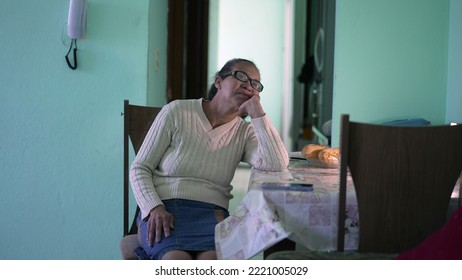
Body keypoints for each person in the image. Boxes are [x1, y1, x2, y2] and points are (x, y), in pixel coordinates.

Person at [130, 58, 289, 260]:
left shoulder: (245, 132)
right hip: (165, 210)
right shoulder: (177, 111)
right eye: (241, 76)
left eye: (254, 84)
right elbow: (140, 168)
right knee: (176, 261)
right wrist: (153, 207)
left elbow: (277, 164)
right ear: (218, 81)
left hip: (212, 214)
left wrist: (258, 113)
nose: (248, 86)